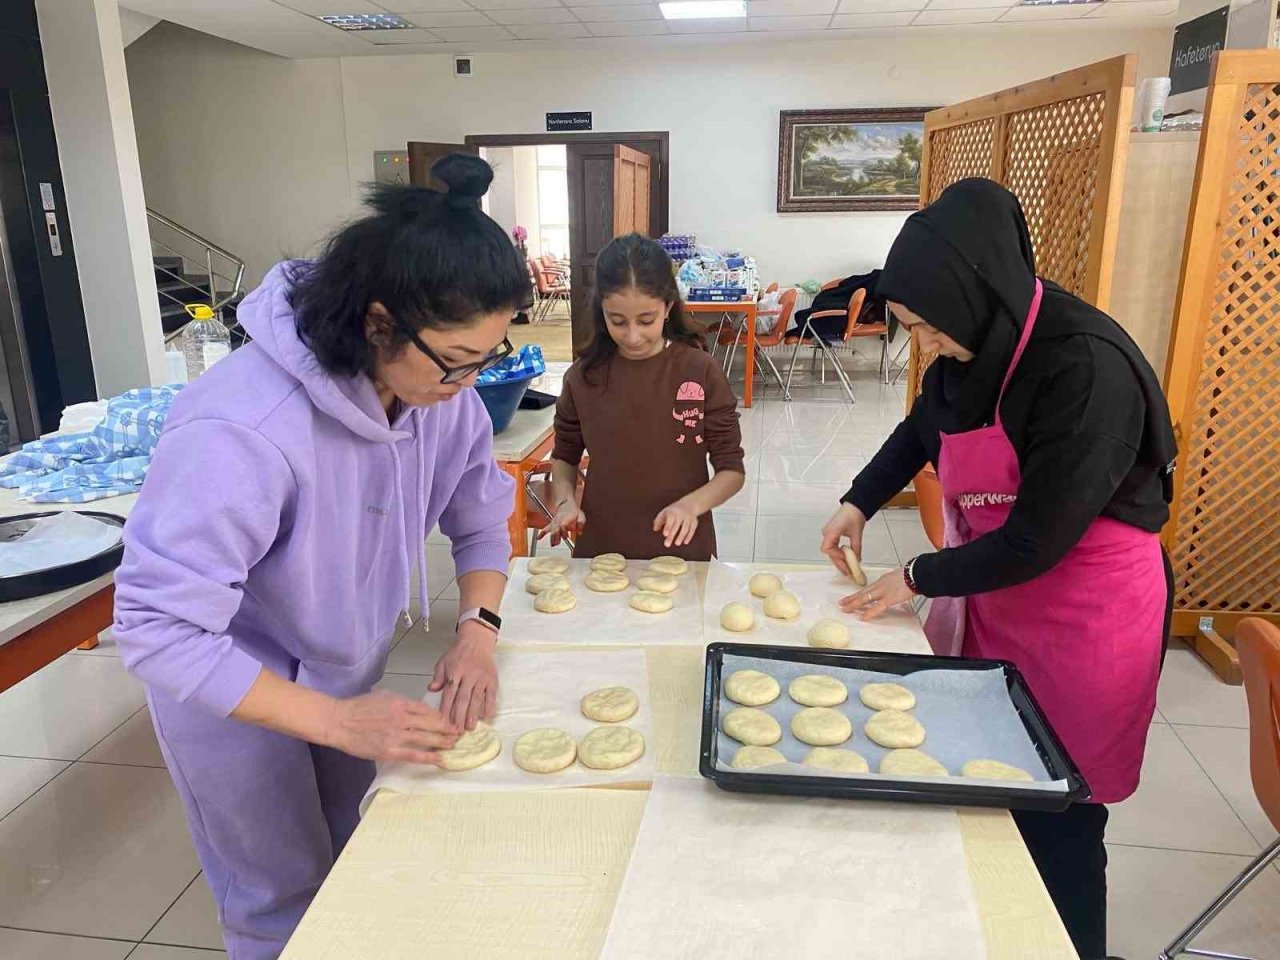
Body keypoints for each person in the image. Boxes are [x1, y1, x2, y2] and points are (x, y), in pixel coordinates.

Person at [113, 154, 527, 960]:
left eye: (488, 358)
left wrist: (477, 627)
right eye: (457, 360)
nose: (470, 380)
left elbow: (480, 515)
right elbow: (158, 631)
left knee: (353, 860)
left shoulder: (439, 399)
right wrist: (333, 721)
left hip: (343, 673)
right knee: (279, 895)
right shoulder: (243, 427)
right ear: (378, 323)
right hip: (230, 694)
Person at [820, 179, 1176, 960]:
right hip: (993, 593)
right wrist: (858, 502)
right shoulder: (975, 344)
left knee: (1059, 807)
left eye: (926, 327)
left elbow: (1038, 539)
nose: (926, 345)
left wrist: (913, 576)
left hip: (1083, 614)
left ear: (970, 291)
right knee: (984, 777)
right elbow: (922, 428)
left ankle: (1071, 944)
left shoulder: (1084, 369)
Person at [546, 233, 745, 560]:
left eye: (646, 320)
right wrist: (566, 503)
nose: (633, 336)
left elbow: (731, 471)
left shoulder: (699, 371)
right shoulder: (583, 377)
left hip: (680, 546)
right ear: (602, 310)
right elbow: (565, 456)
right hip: (602, 545)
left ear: (668, 307)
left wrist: (691, 505)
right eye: (618, 321)